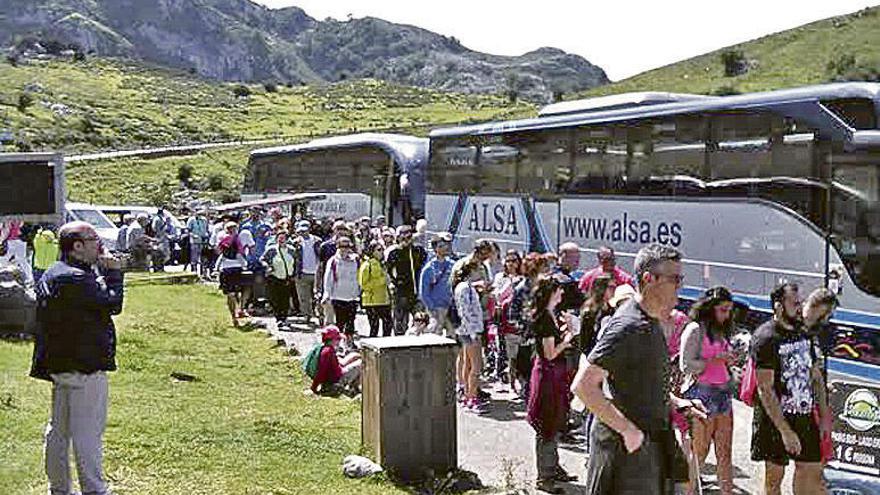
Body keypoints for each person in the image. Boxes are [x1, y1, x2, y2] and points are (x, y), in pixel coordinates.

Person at [572, 244, 704, 494]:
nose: (680, 286)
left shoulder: (651, 321)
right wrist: (627, 429)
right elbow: (583, 385)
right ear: (648, 279)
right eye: (674, 279)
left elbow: (639, 380)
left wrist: (675, 402)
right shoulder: (628, 325)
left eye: (681, 279)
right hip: (625, 451)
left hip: (650, 443)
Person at [29, 221, 124, 495]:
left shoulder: (55, 272)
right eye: (94, 239)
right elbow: (112, 303)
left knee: (58, 431)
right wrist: (115, 273)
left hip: (61, 365)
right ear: (78, 246)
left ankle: (58, 489)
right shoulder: (76, 277)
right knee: (87, 435)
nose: (101, 245)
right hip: (84, 365)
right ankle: (94, 490)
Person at [751, 283, 829, 495]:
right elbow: (764, 389)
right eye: (795, 303)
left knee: (812, 473)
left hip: (804, 417)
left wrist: (824, 418)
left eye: (801, 303)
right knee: (774, 481)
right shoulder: (765, 338)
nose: (800, 307)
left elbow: (816, 378)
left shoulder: (803, 332)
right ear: (778, 306)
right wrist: (785, 431)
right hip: (774, 422)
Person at [679, 286, 737, 495]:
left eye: (729, 310)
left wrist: (729, 361)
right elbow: (685, 365)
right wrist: (714, 360)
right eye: (722, 310)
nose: (726, 315)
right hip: (701, 394)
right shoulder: (695, 329)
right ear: (710, 308)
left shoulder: (721, 331)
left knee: (725, 452)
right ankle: (689, 491)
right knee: (699, 452)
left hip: (722, 393)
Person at [527, 275, 578, 494]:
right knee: (547, 424)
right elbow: (549, 354)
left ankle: (553, 468)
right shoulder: (545, 319)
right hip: (548, 376)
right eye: (559, 290)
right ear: (551, 293)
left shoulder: (550, 315)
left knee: (554, 421)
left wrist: (566, 330)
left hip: (552, 376)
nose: (562, 293)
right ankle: (544, 477)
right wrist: (568, 339)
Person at [454, 258, 487, 414]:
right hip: (470, 331)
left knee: (468, 365)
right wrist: (473, 333)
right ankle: (472, 399)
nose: (480, 273)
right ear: (471, 271)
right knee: (476, 366)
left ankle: (468, 396)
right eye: (477, 270)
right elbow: (465, 311)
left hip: (467, 330)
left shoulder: (466, 286)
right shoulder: (464, 289)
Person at [386, 224, 428, 335]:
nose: (406, 240)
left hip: (417, 292)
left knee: (421, 319)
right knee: (400, 322)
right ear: (398, 238)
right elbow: (389, 271)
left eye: (409, 237)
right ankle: (399, 344)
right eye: (403, 237)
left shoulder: (419, 251)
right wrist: (396, 282)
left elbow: (425, 267)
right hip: (401, 293)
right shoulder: (394, 253)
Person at [492, 250, 523, 389]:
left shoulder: (522, 278)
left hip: (516, 317)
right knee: (502, 347)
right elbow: (497, 295)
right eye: (508, 261)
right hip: (502, 316)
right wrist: (509, 284)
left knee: (517, 351)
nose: (511, 264)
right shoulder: (500, 277)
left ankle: (516, 377)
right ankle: (502, 375)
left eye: (514, 260)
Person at [322, 236, 360, 342]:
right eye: (342, 246)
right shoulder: (333, 261)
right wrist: (327, 294)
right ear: (338, 247)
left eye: (347, 246)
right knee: (340, 321)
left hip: (352, 296)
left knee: (351, 320)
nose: (345, 249)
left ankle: (349, 342)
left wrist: (359, 292)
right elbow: (328, 278)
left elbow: (359, 276)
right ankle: (338, 342)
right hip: (338, 295)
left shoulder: (355, 259)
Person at [419, 233, 455, 337]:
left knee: (452, 335)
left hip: (450, 306)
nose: (446, 248)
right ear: (435, 249)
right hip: (436, 308)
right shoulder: (429, 268)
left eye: (447, 245)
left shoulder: (453, 265)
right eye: (441, 246)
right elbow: (424, 292)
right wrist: (432, 308)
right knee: (435, 335)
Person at [261, 229, 298, 328]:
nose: (281, 240)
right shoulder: (272, 249)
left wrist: (294, 274)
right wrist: (267, 266)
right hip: (274, 278)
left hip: (287, 278)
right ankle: (279, 318)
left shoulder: (292, 250)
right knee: (275, 299)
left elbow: (296, 262)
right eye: (279, 238)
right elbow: (263, 259)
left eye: (283, 238)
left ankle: (284, 318)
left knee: (285, 299)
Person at [310, 326, 362, 396]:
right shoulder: (328, 352)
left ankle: (353, 388)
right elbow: (321, 371)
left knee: (356, 358)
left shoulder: (326, 349)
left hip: (335, 375)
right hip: (337, 379)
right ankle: (353, 388)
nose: (339, 341)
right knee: (361, 364)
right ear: (332, 339)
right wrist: (313, 388)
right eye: (338, 339)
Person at [358, 240, 392, 338]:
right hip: (371, 301)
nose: (381, 252)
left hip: (384, 300)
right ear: (372, 251)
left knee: (388, 325)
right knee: (374, 327)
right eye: (379, 250)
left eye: (382, 250)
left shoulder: (382, 264)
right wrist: (383, 280)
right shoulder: (366, 265)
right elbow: (363, 284)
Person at [317, 220, 350, 324]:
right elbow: (320, 265)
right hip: (329, 280)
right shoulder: (325, 246)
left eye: (343, 229)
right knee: (329, 309)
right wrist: (317, 284)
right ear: (333, 230)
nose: (340, 231)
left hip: (345, 282)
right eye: (338, 229)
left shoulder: (350, 246)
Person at [216, 221, 247, 326]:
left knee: (230, 294)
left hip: (225, 269)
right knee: (239, 291)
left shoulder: (222, 239)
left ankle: (233, 316)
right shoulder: (237, 239)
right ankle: (239, 310)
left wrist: (216, 268)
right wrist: (245, 264)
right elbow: (240, 253)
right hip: (236, 268)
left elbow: (219, 253)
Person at [293, 220, 321, 323]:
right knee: (303, 297)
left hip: (316, 273)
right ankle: (307, 315)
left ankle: (320, 315)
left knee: (318, 296)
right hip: (302, 273)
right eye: (301, 231)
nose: (303, 233)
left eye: (305, 231)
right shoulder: (295, 242)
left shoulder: (318, 241)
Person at [554, 242, 584, 312]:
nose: (577, 262)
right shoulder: (564, 281)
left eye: (578, 257)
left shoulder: (569, 277)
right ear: (563, 257)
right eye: (574, 258)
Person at [186, 209, 210, 278]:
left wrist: (207, 235)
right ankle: (194, 273)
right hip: (195, 242)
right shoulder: (191, 220)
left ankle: (204, 274)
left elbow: (207, 229)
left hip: (203, 242)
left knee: (204, 258)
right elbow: (187, 230)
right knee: (194, 258)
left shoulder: (204, 220)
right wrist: (193, 235)